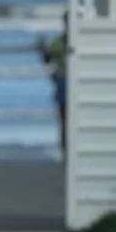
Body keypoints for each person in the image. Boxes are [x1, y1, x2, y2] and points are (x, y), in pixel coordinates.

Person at [39, 11, 68, 153]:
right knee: (65, 118)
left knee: (64, 119)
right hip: (64, 81)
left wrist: (42, 50)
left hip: (63, 81)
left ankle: (64, 147)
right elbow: (47, 59)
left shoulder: (59, 42)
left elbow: (46, 59)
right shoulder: (60, 42)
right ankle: (65, 147)